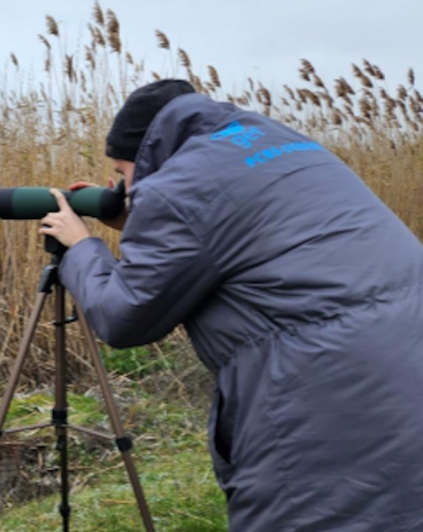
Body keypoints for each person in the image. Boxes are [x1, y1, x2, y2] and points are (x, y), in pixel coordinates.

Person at [39, 79, 423, 531]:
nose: (123, 186)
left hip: (321, 400)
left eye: (123, 174)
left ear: (144, 158)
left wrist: (82, 246)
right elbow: (239, 234)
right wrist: (138, 220)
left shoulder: (175, 188)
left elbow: (123, 318)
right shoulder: (285, 144)